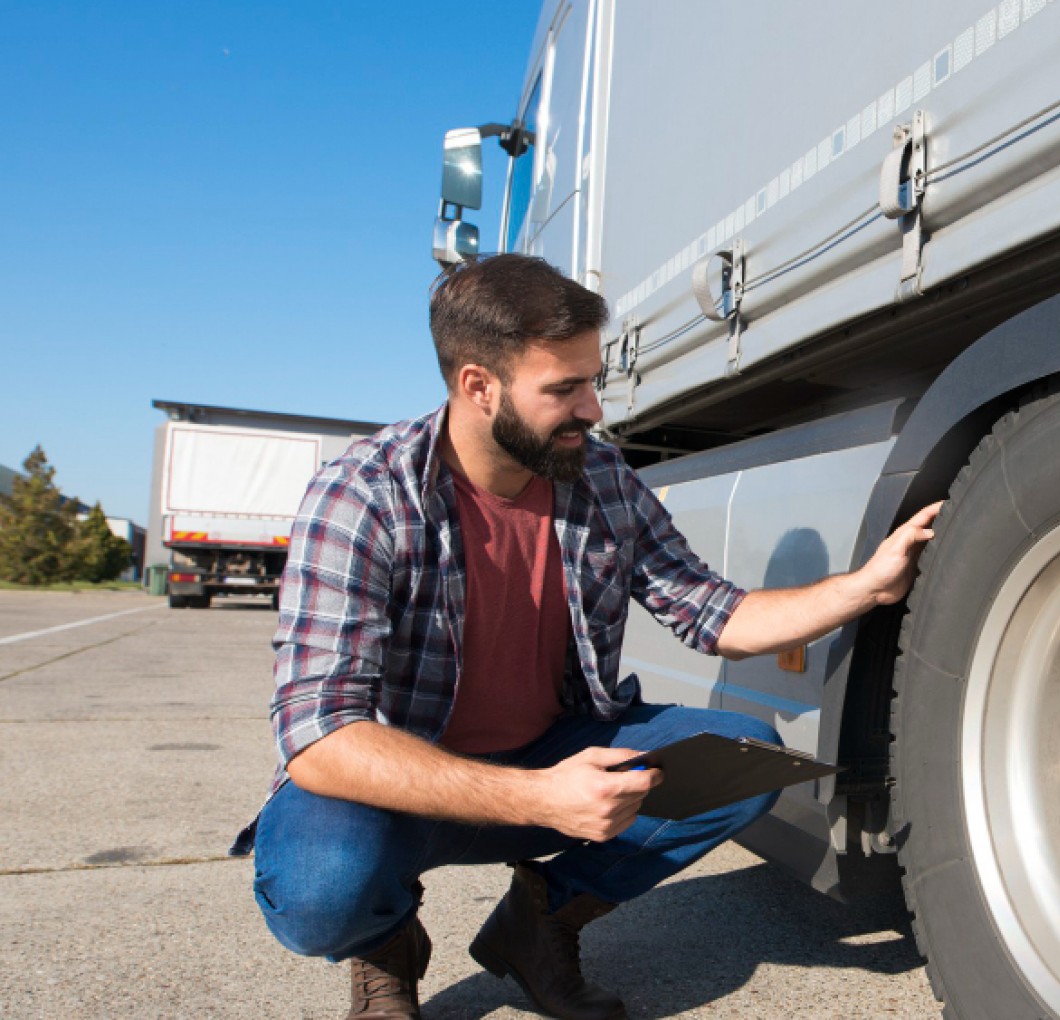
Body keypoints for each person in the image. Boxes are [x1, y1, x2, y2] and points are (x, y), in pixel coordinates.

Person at [232, 254, 942, 1020]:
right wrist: (541, 796)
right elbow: (321, 734)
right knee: (320, 887)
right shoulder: (365, 495)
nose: (593, 409)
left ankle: (539, 923)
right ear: (479, 386)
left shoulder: (601, 479)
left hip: (550, 747)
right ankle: (385, 946)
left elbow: (712, 614)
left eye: (592, 380)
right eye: (564, 388)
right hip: (406, 778)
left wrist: (862, 586)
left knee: (743, 759)